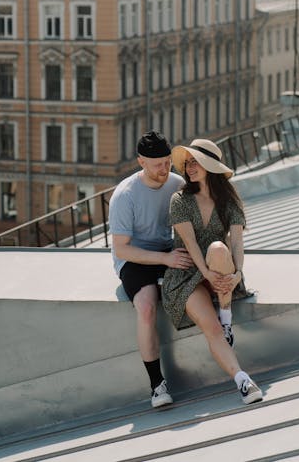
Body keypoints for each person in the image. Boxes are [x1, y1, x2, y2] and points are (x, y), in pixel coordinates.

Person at [161, 138, 263, 405]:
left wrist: (238, 273)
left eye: (197, 162)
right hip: (186, 276)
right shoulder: (180, 199)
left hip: (219, 266)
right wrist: (204, 273)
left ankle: (227, 316)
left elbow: (237, 242)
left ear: (210, 166)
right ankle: (243, 380)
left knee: (219, 247)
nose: (191, 167)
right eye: (188, 163)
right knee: (213, 330)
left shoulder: (227, 200)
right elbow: (191, 243)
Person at [109, 130, 193, 409]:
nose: (164, 169)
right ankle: (157, 385)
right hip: (135, 257)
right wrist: (164, 261)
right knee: (146, 307)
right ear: (141, 162)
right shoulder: (125, 195)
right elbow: (122, 249)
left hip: (167, 248)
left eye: (168, 162)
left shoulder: (177, 183)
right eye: (157, 164)